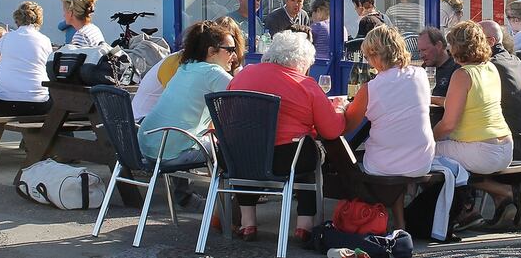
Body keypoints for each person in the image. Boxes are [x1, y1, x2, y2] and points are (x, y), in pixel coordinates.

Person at [228, 31, 345, 242]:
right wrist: (338, 109)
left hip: (237, 157)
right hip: (286, 159)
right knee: (309, 149)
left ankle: (248, 222)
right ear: (302, 62)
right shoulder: (305, 84)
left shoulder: (243, 75)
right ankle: (304, 225)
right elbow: (332, 131)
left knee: (249, 146)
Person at [343, 25, 435, 229]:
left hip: (385, 164)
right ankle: (400, 222)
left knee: (370, 157)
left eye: (368, 56)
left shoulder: (371, 88)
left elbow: (348, 125)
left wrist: (343, 107)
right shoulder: (420, 75)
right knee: (396, 143)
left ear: (375, 55)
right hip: (422, 159)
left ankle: (374, 216)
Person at [138, 21, 236, 210]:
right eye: (230, 49)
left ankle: (196, 200)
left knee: (194, 137)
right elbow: (247, 101)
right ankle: (230, 207)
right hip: (168, 152)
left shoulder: (187, 67)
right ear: (211, 51)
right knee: (231, 147)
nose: (234, 55)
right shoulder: (212, 72)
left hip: (148, 146)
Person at [476, 20, 521, 229]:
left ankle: (467, 211)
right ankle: (502, 204)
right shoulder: (513, 60)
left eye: (474, 39)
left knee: (455, 162)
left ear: (490, 41)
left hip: (517, 151)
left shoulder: (490, 68)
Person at [433, 19, 513, 179]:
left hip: (482, 152)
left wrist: (428, 139)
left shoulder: (462, 74)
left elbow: (448, 124)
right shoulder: (491, 68)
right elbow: (472, 103)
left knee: (419, 154)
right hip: (506, 149)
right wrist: (433, 99)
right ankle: (499, 191)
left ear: (456, 47)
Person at [0, 2, 53, 166]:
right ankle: (33, 147)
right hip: (37, 103)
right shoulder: (44, 40)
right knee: (45, 100)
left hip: (5, 103)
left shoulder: (7, 37)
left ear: (17, 19)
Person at [418, 27, 460, 106]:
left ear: (439, 46)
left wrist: (429, 99)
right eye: (419, 51)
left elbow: (458, 102)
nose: (421, 55)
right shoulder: (425, 67)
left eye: (424, 50)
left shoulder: (457, 68)